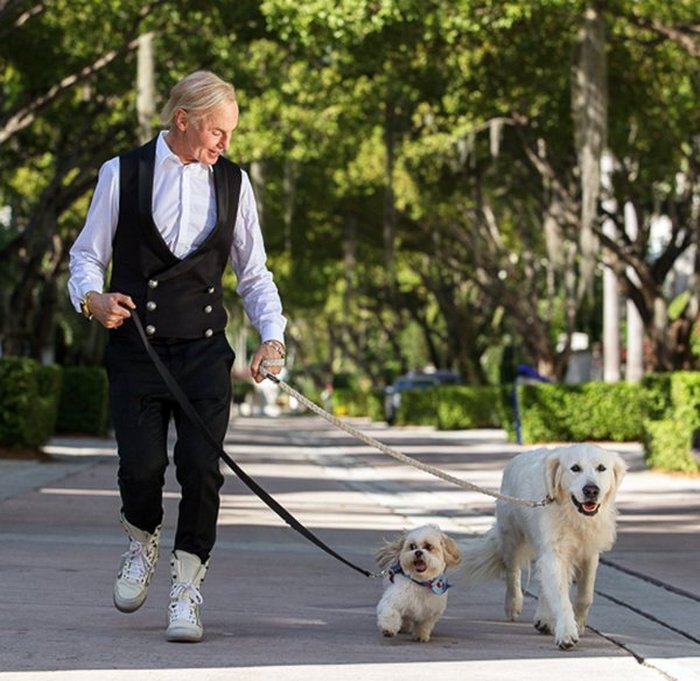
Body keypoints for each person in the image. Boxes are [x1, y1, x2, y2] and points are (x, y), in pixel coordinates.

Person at [67, 70, 287, 643]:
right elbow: (86, 257)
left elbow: (255, 274)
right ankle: (141, 540)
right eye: (217, 132)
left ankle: (187, 585)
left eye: (231, 134)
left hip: (204, 354)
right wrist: (92, 299)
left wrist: (273, 336)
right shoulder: (121, 173)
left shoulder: (235, 184)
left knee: (200, 471)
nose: (224, 144)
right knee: (140, 468)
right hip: (136, 352)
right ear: (182, 119)